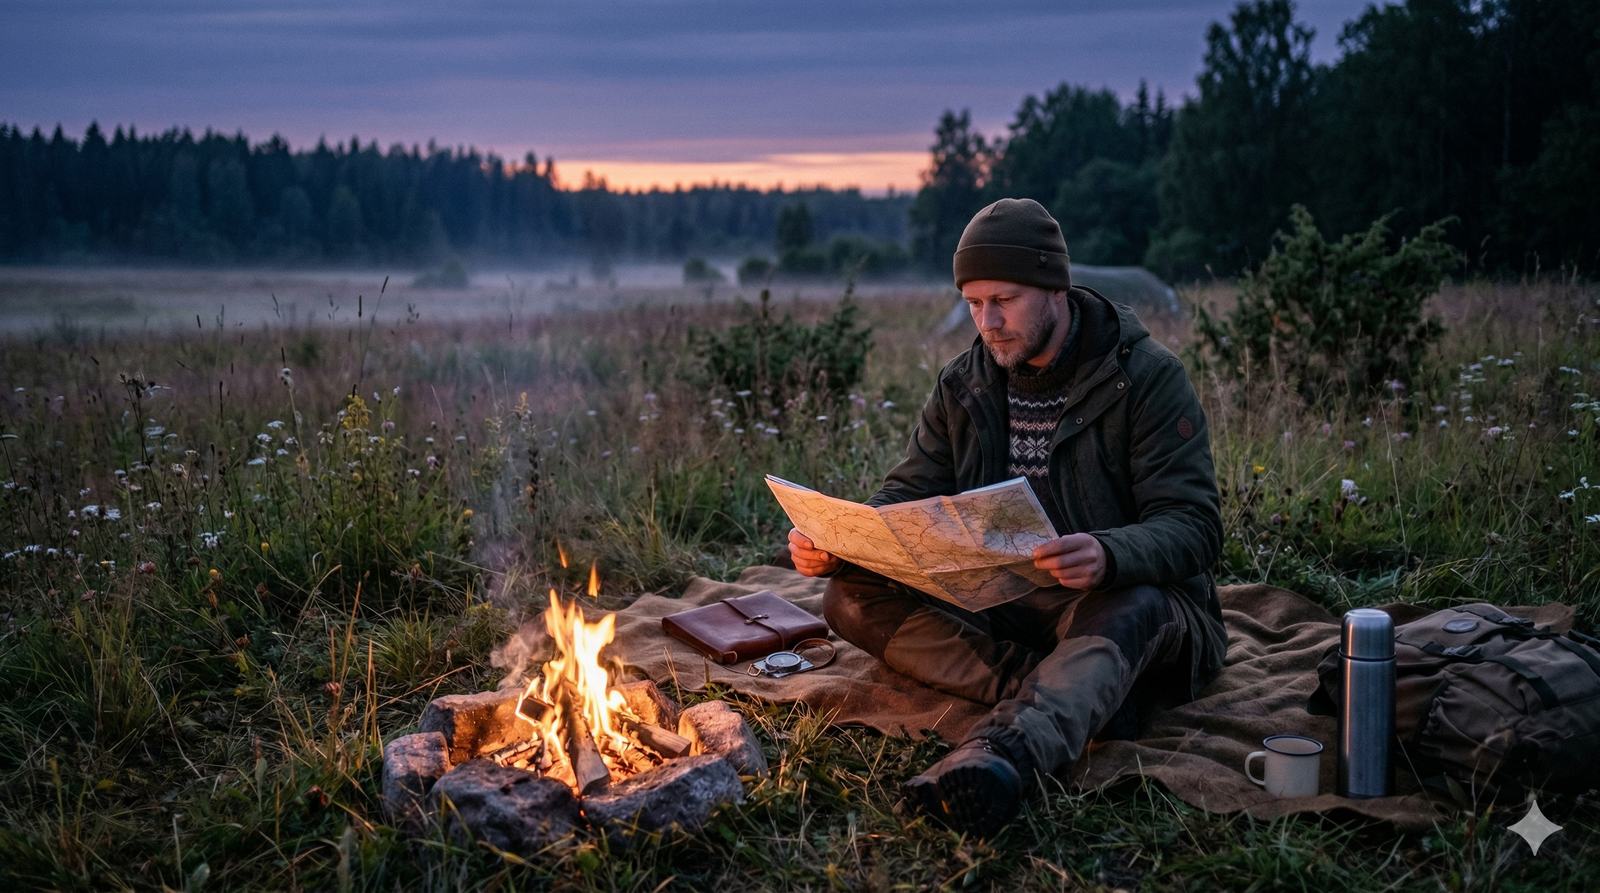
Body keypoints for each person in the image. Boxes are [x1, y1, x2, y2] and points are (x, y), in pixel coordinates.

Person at [787, 198, 1226, 836]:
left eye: (1005, 300)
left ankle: (1008, 753)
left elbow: (1195, 526)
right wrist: (841, 540)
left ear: (1056, 287)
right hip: (1002, 600)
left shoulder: (1147, 378)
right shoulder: (965, 382)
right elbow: (909, 490)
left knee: (1134, 606)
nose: (987, 322)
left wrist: (1108, 553)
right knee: (849, 596)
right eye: (973, 302)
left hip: (1117, 602)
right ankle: (1076, 693)